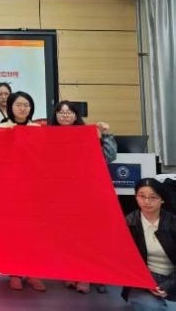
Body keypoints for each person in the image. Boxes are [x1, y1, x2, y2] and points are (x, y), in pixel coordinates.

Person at [51, 100, 116, 294]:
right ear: (55, 115)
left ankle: (86, 275)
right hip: (60, 195)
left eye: (69, 111)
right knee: (66, 237)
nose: (65, 115)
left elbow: (109, 157)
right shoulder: (48, 135)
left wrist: (106, 135)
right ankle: (70, 273)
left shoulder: (87, 134)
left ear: (75, 115)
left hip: (86, 193)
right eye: (61, 112)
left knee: (86, 237)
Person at [0, 91, 46, 292]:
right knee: (14, 232)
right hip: (10, 188)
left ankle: (33, 273)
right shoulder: (1, 128)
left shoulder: (38, 130)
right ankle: (15, 273)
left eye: (26, 105)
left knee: (34, 232)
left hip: (33, 188)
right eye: (18, 104)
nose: (22, 108)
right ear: (11, 107)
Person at [122, 178, 176, 310]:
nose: (146, 201)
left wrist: (169, 285)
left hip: (173, 277)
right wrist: (146, 282)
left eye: (153, 197)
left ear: (162, 199)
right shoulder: (129, 223)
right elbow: (125, 260)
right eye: (142, 196)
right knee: (148, 307)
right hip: (145, 279)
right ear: (136, 197)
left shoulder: (173, 222)